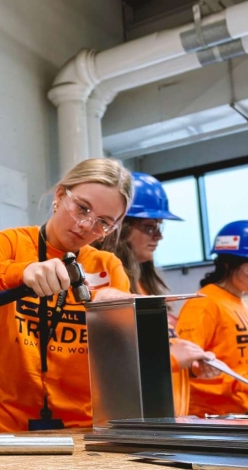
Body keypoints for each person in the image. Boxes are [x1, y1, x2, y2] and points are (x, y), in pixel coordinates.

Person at [0, 158, 134, 433]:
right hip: (6, 426)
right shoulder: (11, 243)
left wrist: (120, 317)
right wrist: (20, 272)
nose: (85, 225)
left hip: (82, 429)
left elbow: (122, 360)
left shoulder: (107, 267)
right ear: (60, 195)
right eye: (82, 208)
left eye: (102, 223)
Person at [95, 172, 217, 416]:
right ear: (119, 228)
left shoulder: (146, 287)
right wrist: (171, 360)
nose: (159, 236)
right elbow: (108, 370)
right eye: (150, 227)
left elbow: (156, 354)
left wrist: (191, 361)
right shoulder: (106, 291)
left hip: (167, 422)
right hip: (136, 425)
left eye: (159, 228)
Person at [177, 220, 248, 417]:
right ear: (228, 264)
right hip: (209, 417)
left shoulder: (239, 304)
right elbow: (187, 363)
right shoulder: (203, 304)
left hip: (237, 413)